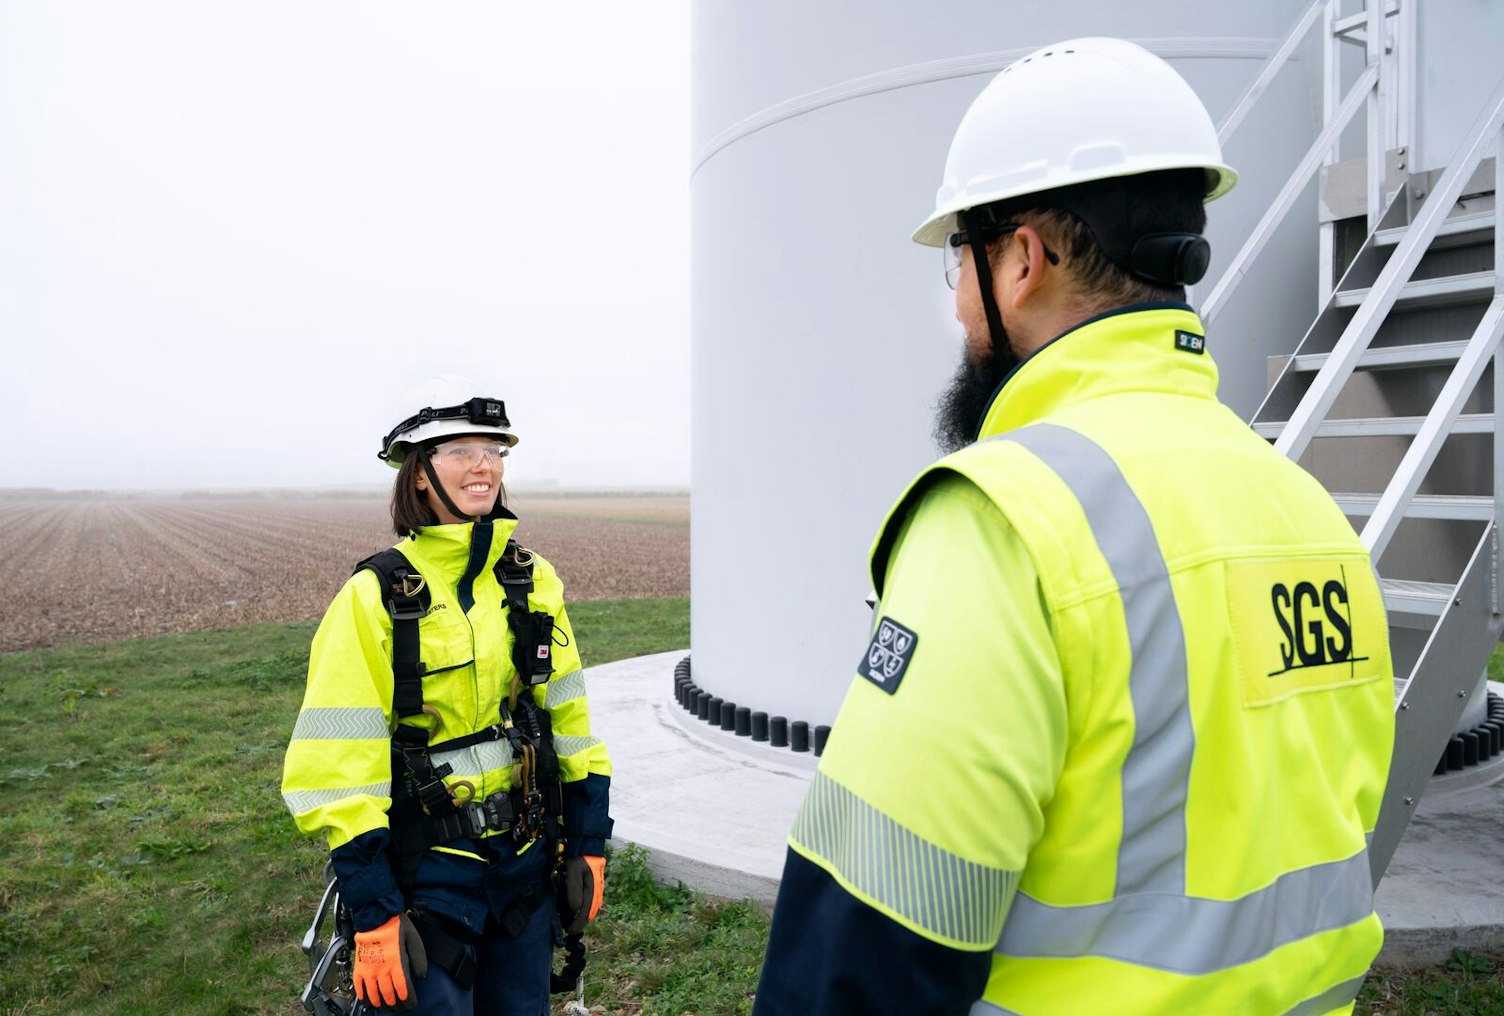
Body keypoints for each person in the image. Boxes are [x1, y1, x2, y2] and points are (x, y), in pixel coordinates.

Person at [755, 37, 1395, 1015]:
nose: (959, 306)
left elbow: (862, 953)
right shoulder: (1309, 513)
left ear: (1022, 257)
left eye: (956, 268)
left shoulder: (1007, 521)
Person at [282, 374, 613, 1014]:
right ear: (419, 475)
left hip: (523, 866)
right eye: (461, 451)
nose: (483, 466)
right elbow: (336, 765)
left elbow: (569, 715)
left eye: (494, 451)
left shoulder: (532, 579)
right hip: (425, 879)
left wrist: (589, 839)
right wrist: (375, 911)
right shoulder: (374, 597)